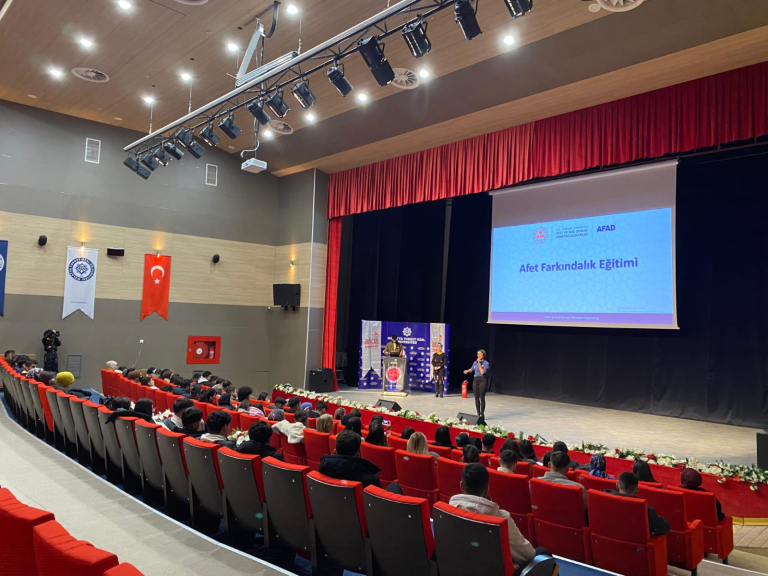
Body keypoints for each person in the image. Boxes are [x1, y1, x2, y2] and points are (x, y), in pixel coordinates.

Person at [449, 463, 544, 571]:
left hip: (458, 569)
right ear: (486, 490)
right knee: (542, 553)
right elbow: (527, 554)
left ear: (461, 486)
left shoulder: (448, 510)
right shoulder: (501, 518)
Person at [607, 472, 670, 537]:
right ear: (637, 490)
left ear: (617, 485)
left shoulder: (606, 498)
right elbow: (665, 528)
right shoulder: (646, 509)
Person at [463, 349, 490, 423]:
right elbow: (472, 369)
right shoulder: (474, 362)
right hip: (475, 380)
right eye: (478, 354)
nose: (478, 356)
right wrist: (467, 371)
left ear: (483, 355)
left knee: (482, 397)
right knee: (476, 397)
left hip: (482, 380)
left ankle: (482, 413)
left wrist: (479, 364)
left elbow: (482, 372)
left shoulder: (486, 363)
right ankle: (478, 412)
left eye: (480, 354)